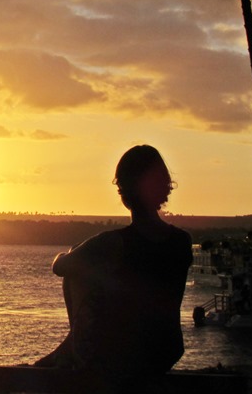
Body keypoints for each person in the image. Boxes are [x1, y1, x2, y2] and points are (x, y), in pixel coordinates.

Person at [35, 145, 193, 388]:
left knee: (77, 272)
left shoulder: (114, 243)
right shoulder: (182, 241)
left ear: (124, 190)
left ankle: (69, 350)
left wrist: (76, 251)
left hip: (123, 356)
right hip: (166, 351)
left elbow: (60, 265)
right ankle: (67, 349)